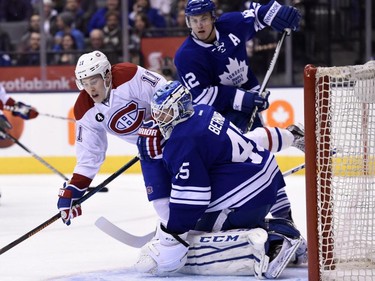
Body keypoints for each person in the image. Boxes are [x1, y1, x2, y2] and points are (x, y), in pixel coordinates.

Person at [134, 80, 303, 278]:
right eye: (157, 113)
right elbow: (252, 138)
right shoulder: (203, 111)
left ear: (179, 108)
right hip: (266, 175)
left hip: (249, 197)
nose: (160, 120)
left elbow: (191, 199)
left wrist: (172, 235)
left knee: (198, 226)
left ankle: (277, 238)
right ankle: (288, 230)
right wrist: (288, 136)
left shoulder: (183, 140)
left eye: (165, 113)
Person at [174, 0, 304, 221]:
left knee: (259, 158)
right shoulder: (186, 56)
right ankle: (292, 135)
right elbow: (203, 96)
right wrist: (245, 99)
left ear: (213, 17)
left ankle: (283, 217)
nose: (199, 25)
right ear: (188, 22)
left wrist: (277, 13)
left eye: (204, 18)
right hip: (215, 116)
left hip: (248, 104)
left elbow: (257, 16)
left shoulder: (230, 24)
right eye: (194, 20)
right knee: (249, 160)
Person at [56, 50, 167, 226]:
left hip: (175, 136)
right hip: (149, 152)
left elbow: (165, 93)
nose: (90, 89)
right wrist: (74, 189)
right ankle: (178, 232)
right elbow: (90, 157)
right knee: (162, 203)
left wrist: (155, 125)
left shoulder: (128, 76)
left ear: (107, 76)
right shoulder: (84, 109)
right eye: (85, 83)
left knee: (192, 186)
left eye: (94, 81)